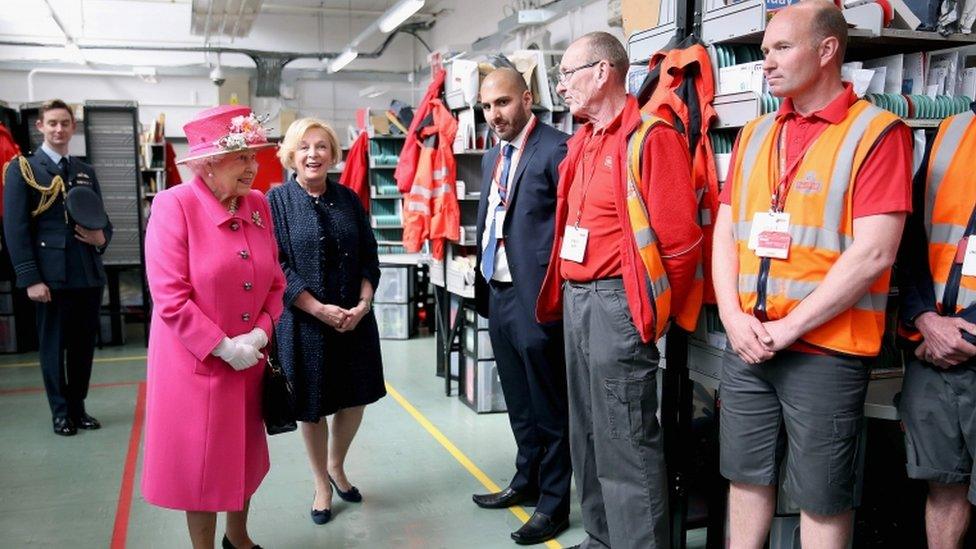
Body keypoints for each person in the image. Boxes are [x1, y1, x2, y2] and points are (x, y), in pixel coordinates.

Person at [711, 2, 913, 547]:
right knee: (745, 480)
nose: (765, 62)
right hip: (749, 343)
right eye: (763, 50)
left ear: (827, 51)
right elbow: (726, 234)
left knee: (823, 498)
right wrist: (731, 316)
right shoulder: (755, 134)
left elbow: (874, 254)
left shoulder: (877, 133)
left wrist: (787, 328)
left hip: (825, 351)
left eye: (781, 48)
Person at [536, 32, 702, 549]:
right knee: (586, 430)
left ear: (603, 71)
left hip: (617, 303)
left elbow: (680, 245)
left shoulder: (651, 137)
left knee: (625, 437)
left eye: (566, 73)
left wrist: (645, 311)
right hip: (577, 299)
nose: (561, 86)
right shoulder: (583, 139)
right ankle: (601, 538)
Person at [141, 105, 285, 549]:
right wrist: (222, 346)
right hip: (197, 368)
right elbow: (170, 296)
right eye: (241, 156)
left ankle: (238, 538)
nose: (253, 166)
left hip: (249, 363)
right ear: (206, 163)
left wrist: (261, 332)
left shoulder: (258, 204)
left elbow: (275, 281)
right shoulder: (174, 206)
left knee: (242, 456)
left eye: (253, 155)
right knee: (201, 468)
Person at [267, 118, 385, 526]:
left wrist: (363, 303)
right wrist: (317, 308)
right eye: (304, 147)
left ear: (333, 154)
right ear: (291, 156)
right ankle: (321, 483)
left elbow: (370, 254)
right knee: (311, 406)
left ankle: (337, 466)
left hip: (354, 320)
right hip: (305, 322)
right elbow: (275, 264)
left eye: (321, 147)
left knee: (356, 396)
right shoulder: (276, 201)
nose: (313, 154)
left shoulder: (349, 199)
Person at [471, 67, 571, 545]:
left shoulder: (556, 149)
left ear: (528, 99)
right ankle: (526, 480)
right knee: (518, 399)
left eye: (504, 103)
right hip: (499, 289)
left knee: (548, 404)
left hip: (538, 297)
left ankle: (553, 503)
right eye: (488, 106)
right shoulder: (493, 156)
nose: (495, 115)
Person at [3, 99, 112, 436]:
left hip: (86, 273)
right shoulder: (23, 169)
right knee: (53, 347)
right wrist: (30, 277)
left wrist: (100, 238)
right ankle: (60, 413)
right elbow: (15, 229)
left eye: (65, 123)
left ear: (73, 127)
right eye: (52, 123)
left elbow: (101, 221)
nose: (59, 129)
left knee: (82, 347)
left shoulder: (85, 171)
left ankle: (78, 408)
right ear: (40, 127)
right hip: (50, 277)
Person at [897, 106, 976, 549]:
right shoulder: (953, 129)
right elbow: (910, 237)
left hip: (954, 343)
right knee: (943, 485)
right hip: (935, 351)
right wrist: (925, 319)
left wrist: (965, 334)